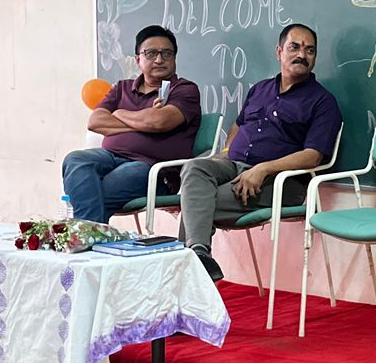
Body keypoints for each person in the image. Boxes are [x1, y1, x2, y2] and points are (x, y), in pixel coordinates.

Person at [179, 22, 342, 281]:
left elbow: (313, 155)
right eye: (294, 47)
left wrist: (263, 169)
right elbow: (239, 125)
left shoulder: (323, 102)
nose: (302, 54)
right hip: (234, 165)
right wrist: (227, 151)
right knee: (194, 168)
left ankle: (188, 272)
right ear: (279, 52)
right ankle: (198, 256)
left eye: (309, 50)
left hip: (279, 181)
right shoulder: (260, 89)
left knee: (196, 202)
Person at [63, 26, 201, 223]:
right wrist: (143, 121)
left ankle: (88, 233)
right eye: (151, 53)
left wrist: (120, 114)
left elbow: (159, 122)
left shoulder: (184, 89)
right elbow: (95, 122)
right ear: (138, 59)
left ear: (174, 58)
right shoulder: (122, 88)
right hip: (110, 157)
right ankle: (92, 233)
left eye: (166, 53)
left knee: (90, 191)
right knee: (76, 160)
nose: (159, 59)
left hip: (153, 169)